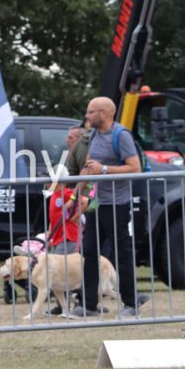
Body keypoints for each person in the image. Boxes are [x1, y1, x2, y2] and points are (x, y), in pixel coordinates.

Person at [72, 97, 149, 318]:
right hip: (96, 202)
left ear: (104, 113)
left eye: (90, 112)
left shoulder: (121, 135)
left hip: (117, 203)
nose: (87, 116)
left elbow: (135, 169)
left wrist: (104, 169)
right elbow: (89, 167)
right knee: (89, 252)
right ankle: (88, 305)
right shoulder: (94, 135)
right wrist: (75, 196)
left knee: (121, 253)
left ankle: (130, 303)